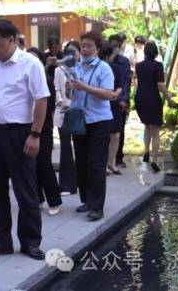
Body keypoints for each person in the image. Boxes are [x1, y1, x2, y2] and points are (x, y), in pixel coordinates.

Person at [0, 19, 49, 261]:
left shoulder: (30, 64)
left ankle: (30, 243)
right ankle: (0, 242)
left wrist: (35, 135)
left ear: (12, 39)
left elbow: (41, 100)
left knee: (25, 190)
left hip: (19, 134)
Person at [68, 31, 115, 222]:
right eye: (83, 46)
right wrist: (69, 88)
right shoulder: (77, 67)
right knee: (81, 162)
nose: (85, 49)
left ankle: (97, 207)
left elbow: (108, 94)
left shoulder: (104, 68)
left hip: (99, 121)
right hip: (80, 119)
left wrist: (84, 87)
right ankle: (87, 200)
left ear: (97, 48)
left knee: (96, 164)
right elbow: (73, 93)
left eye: (89, 46)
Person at [26, 47, 62, 216]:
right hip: (24, 126)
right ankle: (37, 198)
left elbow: (51, 107)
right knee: (29, 165)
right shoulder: (22, 79)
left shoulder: (47, 81)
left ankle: (54, 201)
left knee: (44, 164)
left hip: (43, 128)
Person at [134, 41, 176, 173]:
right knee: (156, 131)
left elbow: (137, 82)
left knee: (147, 125)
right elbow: (160, 85)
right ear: (156, 52)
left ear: (145, 52)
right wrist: (169, 99)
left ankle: (146, 151)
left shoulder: (138, 66)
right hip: (153, 98)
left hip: (140, 98)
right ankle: (155, 160)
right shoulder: (158, 65)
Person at [54, 41, 79, 196]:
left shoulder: (81, 69)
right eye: (68, 52)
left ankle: (79, 182)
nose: (72, 55)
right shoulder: (59, 70)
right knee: (65, 147)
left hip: (79, 112)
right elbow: (56, 88)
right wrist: (60, 101)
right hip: (63, 111)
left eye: (74, 52)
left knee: (80, 147)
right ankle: (65, 185)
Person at [99, 43, 126, 176]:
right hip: (101, 101)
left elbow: (120, 86)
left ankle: (112, 162)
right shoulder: (98, 67)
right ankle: (103, 164)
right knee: (103, 135)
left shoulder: (117, 68)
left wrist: (115, 93)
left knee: (115, 134)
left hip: (114, 103)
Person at [107, 34, 132, 169]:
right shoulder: (104, 62)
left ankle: (118, 158)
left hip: (120, 100)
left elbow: (126, 82)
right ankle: (107, 159)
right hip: (106, 99)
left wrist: (124, 100)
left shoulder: (124, 62)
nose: (115, 48)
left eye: (117, 45)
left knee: (119, 130)